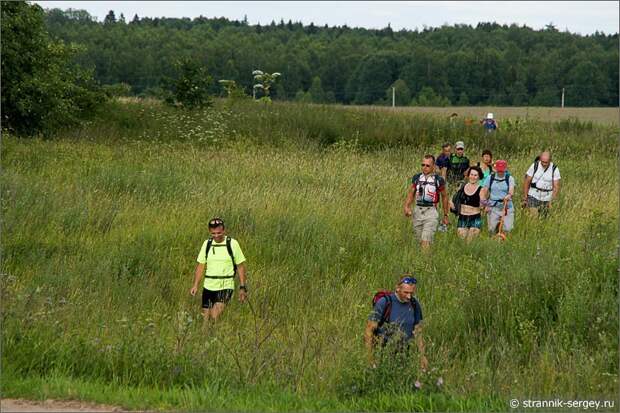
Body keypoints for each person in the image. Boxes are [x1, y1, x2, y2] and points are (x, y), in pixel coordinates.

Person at [190, 217, 248, 326]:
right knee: (205, 320)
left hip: (225, 286)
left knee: (215, 315)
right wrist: (195, 285)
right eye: (213, 233)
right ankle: (207, 338)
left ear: (224, 230)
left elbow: (240, 266)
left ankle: (215, 336)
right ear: (209, 232)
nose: (216, 236)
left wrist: (242, 287)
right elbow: (201, 266)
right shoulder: (207, 244)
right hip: (208, 286)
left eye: (219, 233)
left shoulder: (232, 244)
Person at [365, 275, 427, 371]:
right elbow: (369, 331)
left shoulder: (415, 304)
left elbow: (418, 332)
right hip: (383, 356)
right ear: (397, 288)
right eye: (406, 292)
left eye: (411, 293)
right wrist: (369, 357)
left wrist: (422, 356)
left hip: (405, 357)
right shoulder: (384, 302)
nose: (409, 296)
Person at [403, 155, 450, 250]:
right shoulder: (417, 178)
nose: (425, 167)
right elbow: (411, 193)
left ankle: (425, 264)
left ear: (433, 166)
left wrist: (445, 215)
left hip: (431, 212)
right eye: (423, 164)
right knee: (419, 241)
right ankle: (424, 261)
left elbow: (444, 196)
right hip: (418, 211)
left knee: (426, 241)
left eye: (428, 165)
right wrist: (407, 206)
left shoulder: (438, 180)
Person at [481, 160, 515, 237]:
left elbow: (511, 191)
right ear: (495, 169)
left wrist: (508, 196)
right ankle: (493, 241)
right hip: (493, 206)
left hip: (506, 206)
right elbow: (484, 192)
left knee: (508, 228)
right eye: (498, 170)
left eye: (502, 171)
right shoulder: (490, 178)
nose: (500, 172)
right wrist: (485, 204)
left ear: (505, 169)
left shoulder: (510, 178)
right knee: (491, 229)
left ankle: (504, 241)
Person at [522, 151, 561, 217]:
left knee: (543, 218)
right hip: (533, 195)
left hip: (547, 198)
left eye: (546, 162)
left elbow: (556, 186)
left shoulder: (555, 169)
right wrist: (525, 196)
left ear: (550, 161)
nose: (544, 164)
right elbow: (527, 181)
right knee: (534, 217)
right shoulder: (535, 165)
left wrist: (552, 200)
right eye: (542, 161)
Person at [452, 166, 484, 242]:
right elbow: (453, 198)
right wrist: (454, 207)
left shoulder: (481, 189)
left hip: (475, 217)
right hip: (462, 217)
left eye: (475, 175)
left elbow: (483, 203)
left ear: (479, 177)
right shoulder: (462, 186)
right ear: (469, 175)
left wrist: (484, 204)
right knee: (462, 241)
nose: (473, 177)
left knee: (470, 241)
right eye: (471, 174)